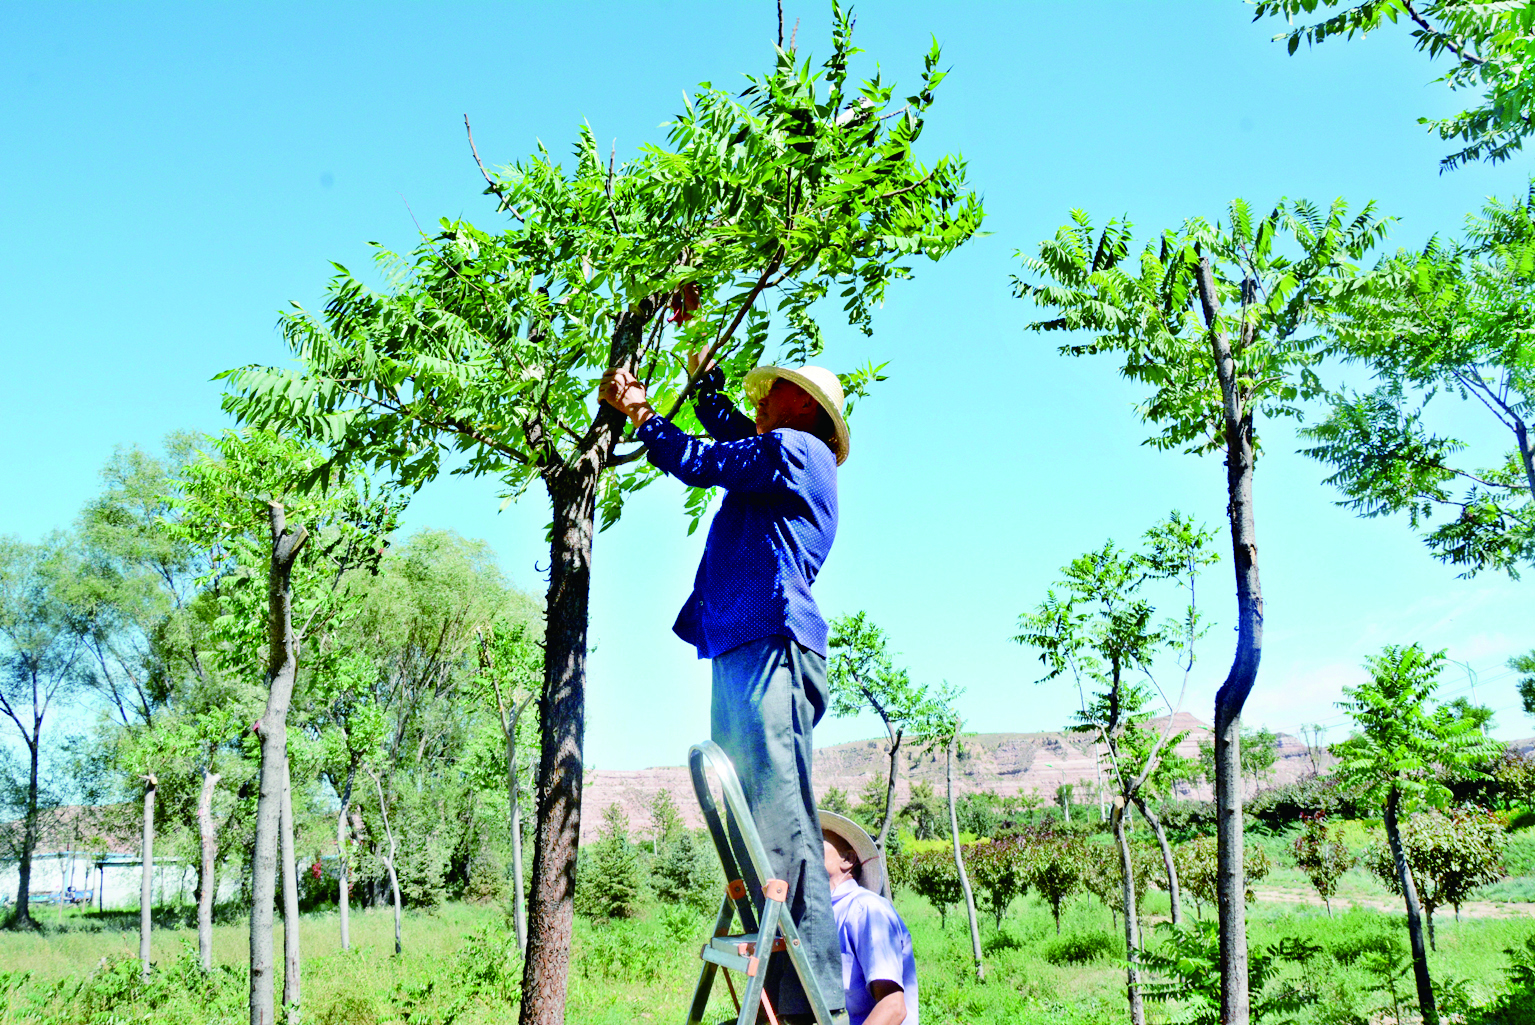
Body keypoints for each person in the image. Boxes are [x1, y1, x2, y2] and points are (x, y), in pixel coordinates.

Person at [600, 353, 850, 1020]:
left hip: (771, 646)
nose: (759, 399)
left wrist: (641, 412)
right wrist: (704, 380)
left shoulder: (797, 450)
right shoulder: (779, 454)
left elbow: (707, 460)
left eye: (773, 392)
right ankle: (781, 992)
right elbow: (734, 434)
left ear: (805, 405)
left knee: (783, 821)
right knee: (754, 824)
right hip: (746, 645)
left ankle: (815, 1003)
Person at [819, 811, 918, 1025]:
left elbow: (892, 1008)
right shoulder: (823, 914)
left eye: (818, 840)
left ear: (848, 859)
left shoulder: (866, 909)